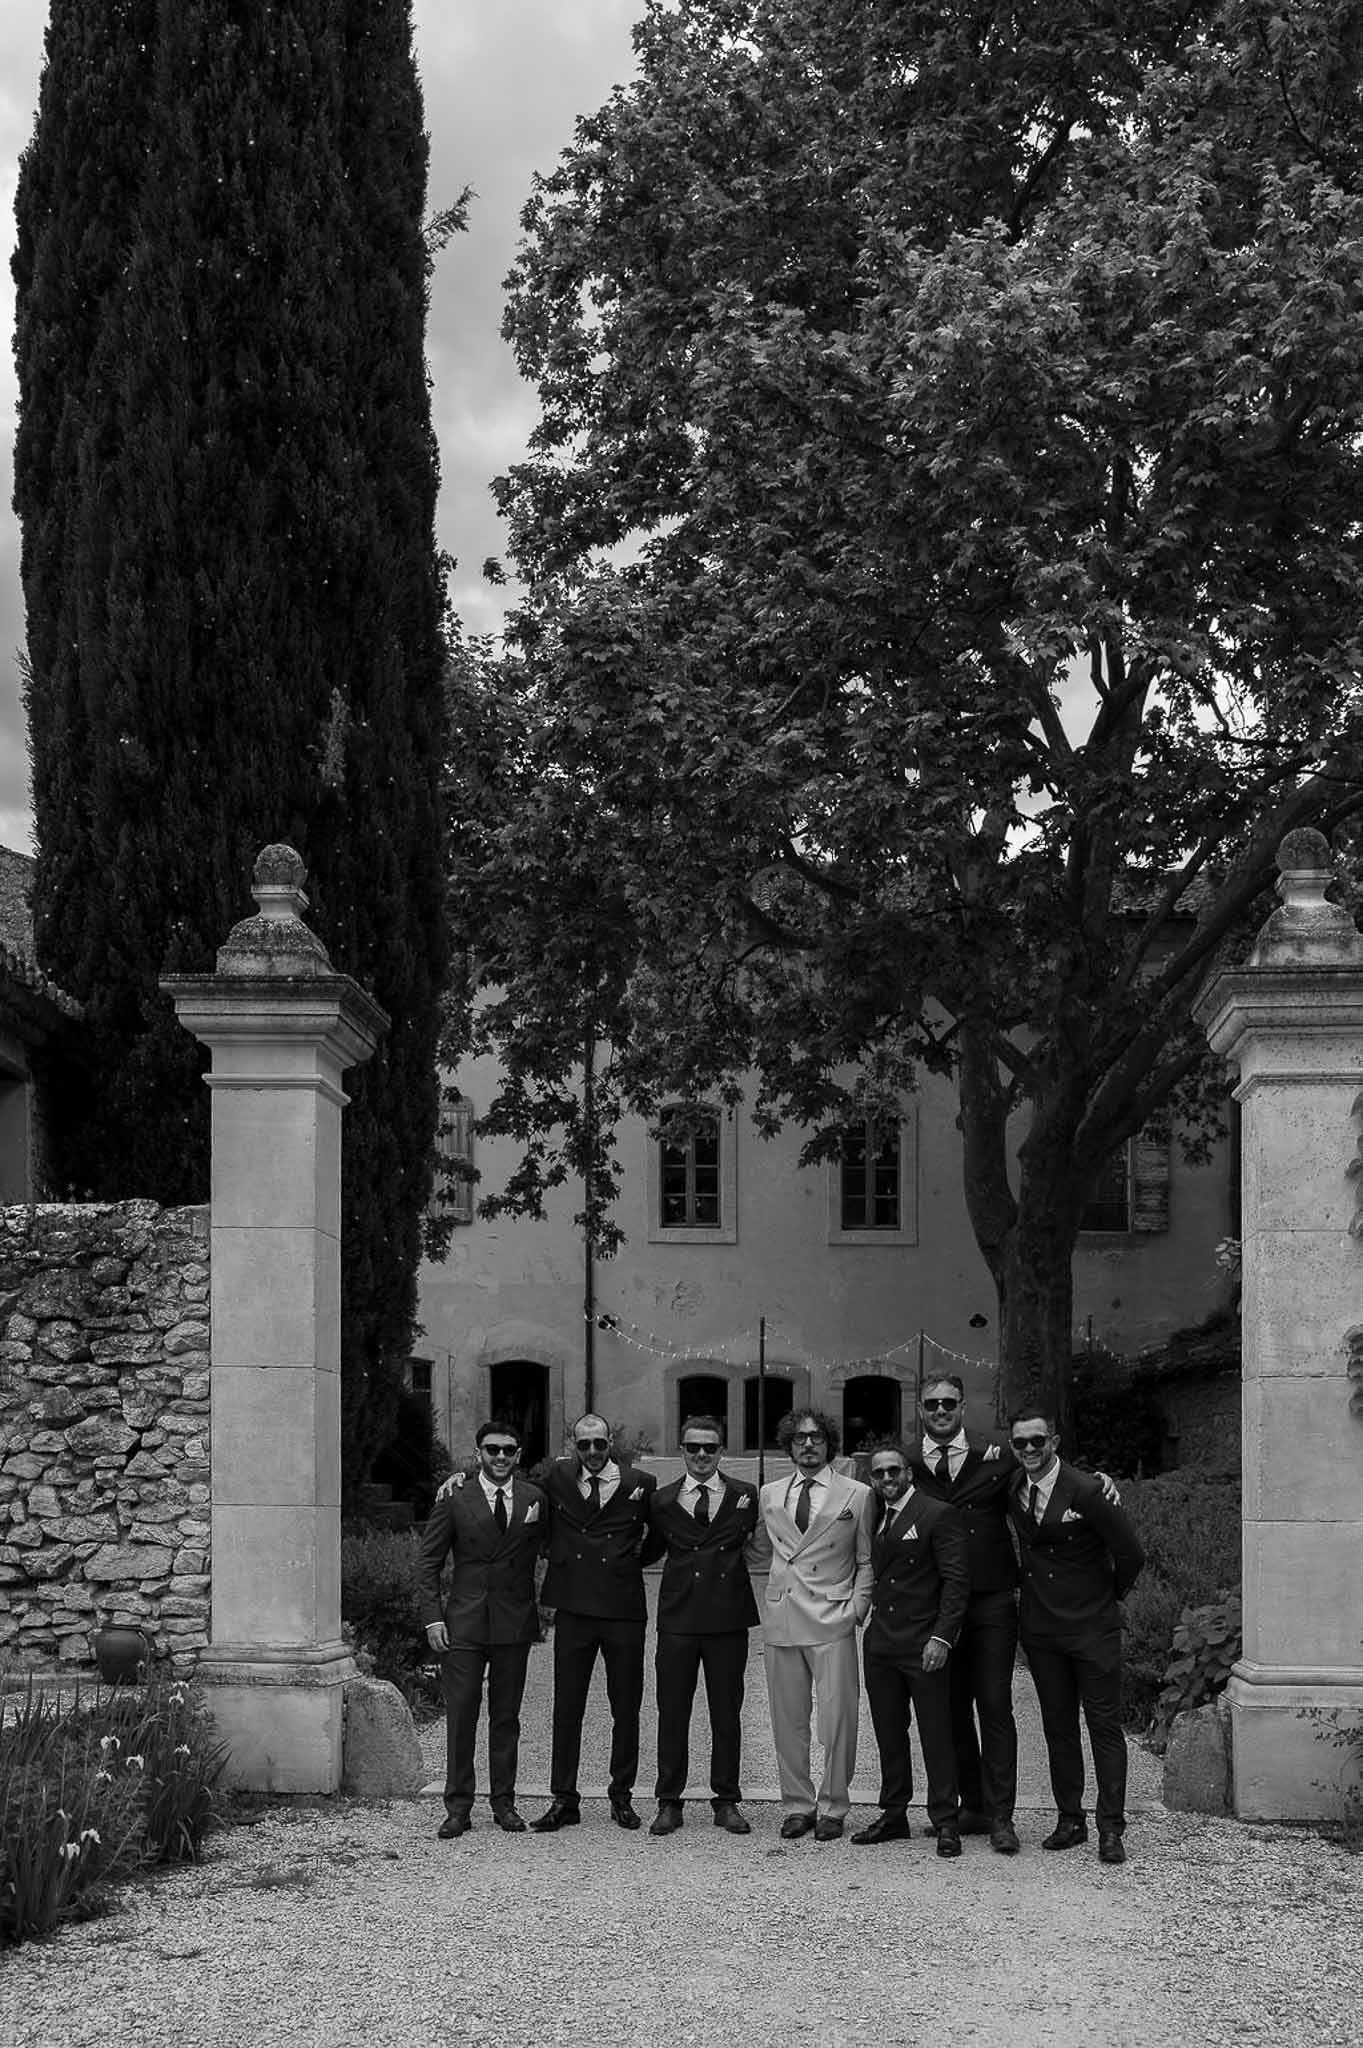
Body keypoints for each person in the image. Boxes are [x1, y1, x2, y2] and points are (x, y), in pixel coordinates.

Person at [1006, 1401, 1146, 1865]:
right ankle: (1070, 1819)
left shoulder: (1086, 1490)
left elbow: (1130, 1553)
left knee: (1104, 1727)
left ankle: (1111, 1827)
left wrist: (1106, 1599)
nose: (1029, 1448)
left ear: (1055, 1443)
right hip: (1043, 1631)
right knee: (1058, 1728)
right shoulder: (1012, 1486)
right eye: (1020, 1442)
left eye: (1037, 1441)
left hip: (1092, 1629)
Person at [908, 1372, 1024, 1854]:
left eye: (948, 1403)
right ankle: (967, 1805)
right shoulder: (908, 1462)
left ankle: (1001, 1815)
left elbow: (1044, 1477)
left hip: (992, 1598)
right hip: (937, 1605)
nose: (940, 1411)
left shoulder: (995, 1454)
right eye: (932, 1404)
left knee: (994, 1704)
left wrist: (1094, 1482)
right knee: (949, 1708)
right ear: (920, 1409)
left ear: (962, 1406)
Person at [747, 1406, 876, 1841]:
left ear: (829, 1443)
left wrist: (858, 1607)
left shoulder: (856, 1493)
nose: (808, 1444)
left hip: (832, 1615)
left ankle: (834, 1806)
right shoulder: (770, 1492)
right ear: (788, 1444)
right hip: (783, 1615)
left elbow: (865, 1558)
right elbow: (761, 1552)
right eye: (800, 1438)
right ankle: (797, 1805)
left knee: (837, 1718)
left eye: (816, 1437)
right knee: (788, 1719)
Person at [416, 1420, 546, 1837]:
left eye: (509, 1450)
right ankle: (458, 1806)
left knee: (506, 1717)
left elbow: (559, 1545)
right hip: (464, 1623)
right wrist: (432, 1617)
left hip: (513, 1622)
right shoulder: (455, 1497)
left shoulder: (534, 1497)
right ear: (479, 1455)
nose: (501, 1457)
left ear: (519, 1454)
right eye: (493, 1450)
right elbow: (427, 1564)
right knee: (462, 1715)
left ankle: (504, 1803)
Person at [530, 1412, 657, 1832]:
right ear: (574, 1446)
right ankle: (564, 1799)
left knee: (626, 1707)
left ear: (610, 1443)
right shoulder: (558, 1477)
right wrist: (460, 1481)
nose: (592, 1452)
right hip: (574, 1608)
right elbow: (525, 1499)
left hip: (623, 1608)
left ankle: (621, 1796)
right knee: (568, 1707)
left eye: (599, 1444)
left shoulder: (641, 1483)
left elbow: (660, 1532)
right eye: (583, 1445)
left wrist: (633, 1559)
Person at [641, 1413, 760, 1837]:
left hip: (727, 1618)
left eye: (710, 1447)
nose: (702, 1455)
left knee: (726, 1713)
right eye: (693, 1448)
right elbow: (645, 1550)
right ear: (682, 1451)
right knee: (672, 1711)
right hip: (678, 1619)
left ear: (721, 1450)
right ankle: (669, 1800)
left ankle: (725, 1799)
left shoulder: (746, 1495)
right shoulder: (662, 1500)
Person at [852, 1438, 970, 1857]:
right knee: (889, 1733)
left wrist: (942, 1637)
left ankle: (945, 1821)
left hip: (924, 1644)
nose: (887, 1478)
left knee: (936, 1734)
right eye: (879, 1473)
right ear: (873, 1479)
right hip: (882, 1643)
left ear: (909, 1473)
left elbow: (957, 1582)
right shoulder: (878, 1517)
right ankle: (894, 1814)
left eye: (894, 1471)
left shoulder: (937, 1513)